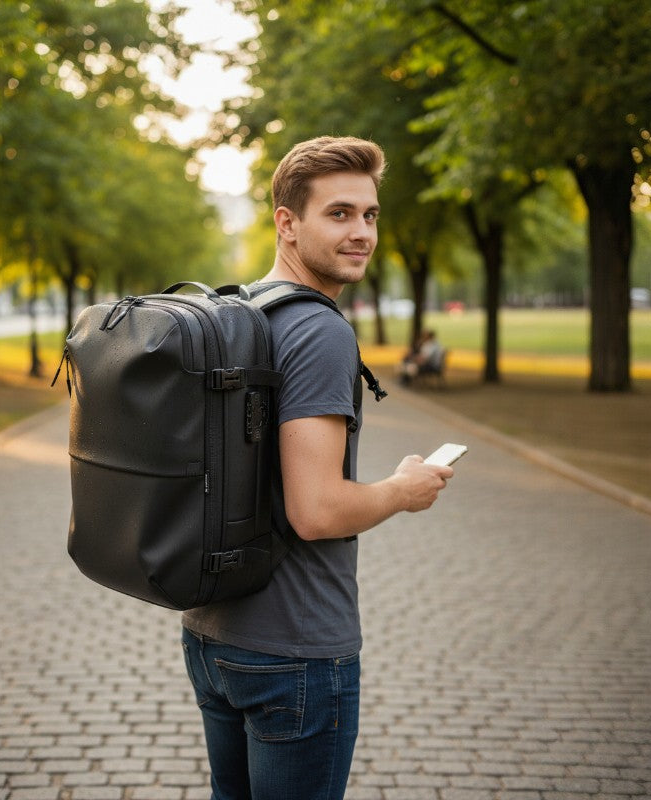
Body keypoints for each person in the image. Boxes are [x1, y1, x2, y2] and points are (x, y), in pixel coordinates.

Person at [181, 136, 454, 800]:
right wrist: (401, 490)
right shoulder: (319, 330)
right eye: (339, 214)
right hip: (297, 650)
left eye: (370, 215)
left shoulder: (238, 311)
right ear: (287, 222)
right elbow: (316, 510)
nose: (361, 232)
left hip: (212, 637)